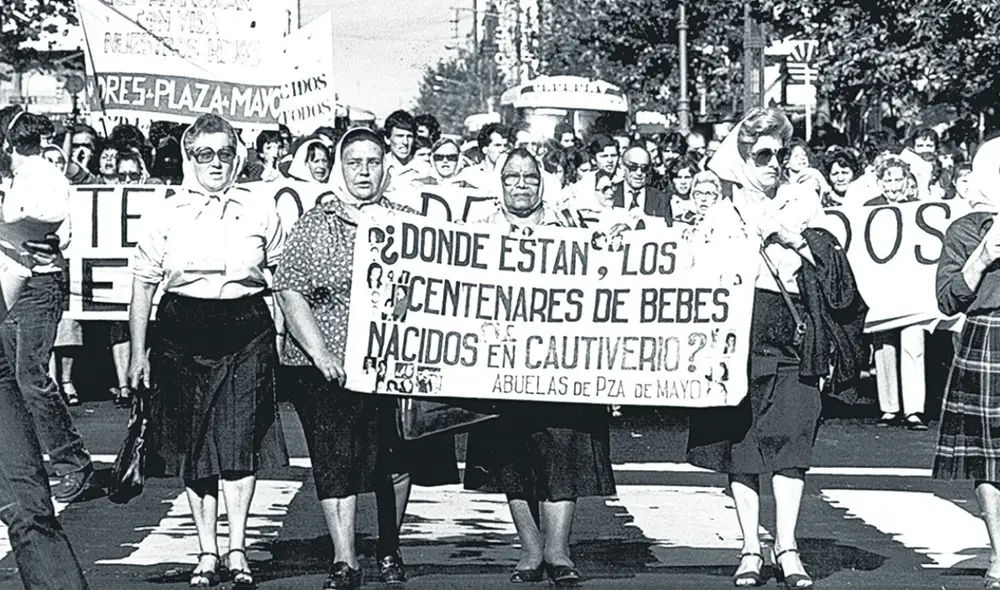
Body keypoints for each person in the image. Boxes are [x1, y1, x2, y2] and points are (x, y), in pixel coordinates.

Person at [686, 107, 867, 589]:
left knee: (791, 444)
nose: (773, 163)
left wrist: (786, 234)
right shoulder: (721, 212)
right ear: (742, 158)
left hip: (790, 332)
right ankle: (750, 547)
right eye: (763, 153)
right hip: (735, 337)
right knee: (740, 447)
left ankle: (787, 546)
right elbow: (695, 274)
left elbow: (834, 266)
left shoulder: (804, 200)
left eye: (781, 153)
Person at [275, 127, 458, 589]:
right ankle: (344, 558)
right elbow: (290, 288)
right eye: (353, 162)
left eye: (372, 162)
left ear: (385, 167)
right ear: (341, 166)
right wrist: (320, 354)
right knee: (336, 462)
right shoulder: (318, 223)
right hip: (329, 368)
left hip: (392, 365)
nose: (363, 170)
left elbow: (436, 287)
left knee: (395, 459)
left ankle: (389, 547)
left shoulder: (409, 221)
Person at [128, 113, 289, 588]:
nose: (215, 163)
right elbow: (142, 282)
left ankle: (237, 550)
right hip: (183, 330)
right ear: (188, 157)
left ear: (237, 156)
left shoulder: (261, 208)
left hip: (246, 329)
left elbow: (280, 279)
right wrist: (138, 353)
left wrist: (280, 338)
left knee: (240, 443)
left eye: (224, 153)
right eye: (205, 154)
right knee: (196, 448)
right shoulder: (165, 212)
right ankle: (207, 552)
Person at [464, 148, 615, 587]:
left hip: (559, 365)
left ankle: (558, 549)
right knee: (512, 459)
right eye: (512, 177)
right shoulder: (476, 232)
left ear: (542, 181)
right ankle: (530, 549)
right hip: (499, 365)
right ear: (501, 182)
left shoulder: (569, 227)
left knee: (563, 456)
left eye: (530, 177)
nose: (522, 184)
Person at [0, 106, 95, 504]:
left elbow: (61, 228)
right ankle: (21, 462)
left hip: (39, 282)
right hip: (11, 279)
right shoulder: (18, 176)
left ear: (8, 142)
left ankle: (73, 460)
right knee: (9, 376)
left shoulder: (45, 176)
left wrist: (41, 235)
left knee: (30, 376)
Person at [934, 143, 1000, 587]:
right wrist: (982, 256)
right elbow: (946, 299)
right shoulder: (965, 229)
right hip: (989, 335)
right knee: (990, 455)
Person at [109, 150, 150, 408]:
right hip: (116, 272)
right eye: (121, 175)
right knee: (117, 323)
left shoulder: (154, 197)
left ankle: (143, 378)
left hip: (144, 270)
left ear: (142, 176)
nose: (127, 180)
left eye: (132, 175)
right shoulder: (108, 198)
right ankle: (124, 385)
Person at [611, 145, 674, 225]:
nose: (639, 173)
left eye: (644, 168)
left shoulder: (661, 199)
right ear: (623, 166)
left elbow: (668, 231)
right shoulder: (611, 193)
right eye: (633, 167)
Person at [383, 109, 416, 181]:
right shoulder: (380, 167)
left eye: (409, 136)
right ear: (387, 139)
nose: (405, 142)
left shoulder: (425, 169)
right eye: (400, 136)